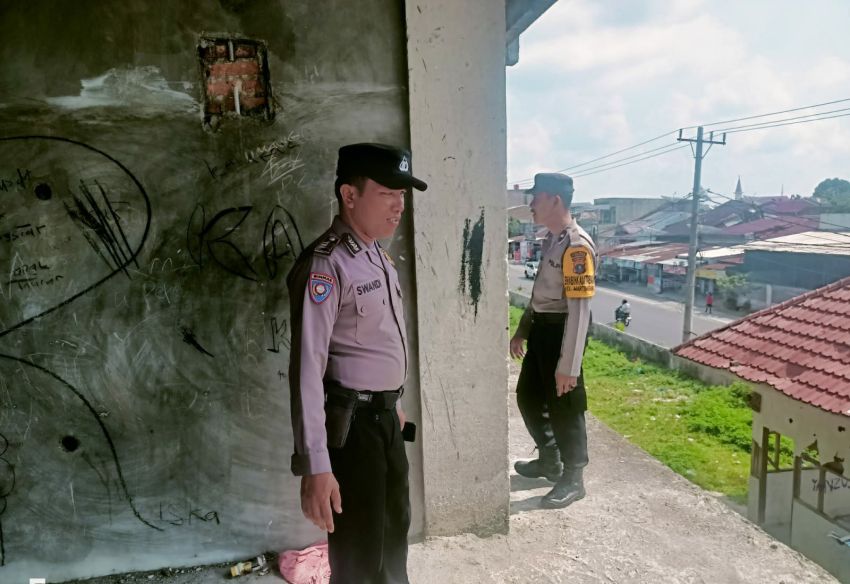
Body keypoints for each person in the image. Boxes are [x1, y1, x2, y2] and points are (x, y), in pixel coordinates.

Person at [286, 143, 427, 583]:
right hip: (353, 431)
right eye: (388, 193)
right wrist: (316, 465)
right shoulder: (327, 265)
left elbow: (378, 346)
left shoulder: (376, 256)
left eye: (403, 195)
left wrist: (394, 404)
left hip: (384, 420)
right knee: (360, 557)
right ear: (349, 195)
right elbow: (307, 371)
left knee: (393, 540)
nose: (398, 206)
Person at [509, 172, 597, 509]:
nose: (531, 204)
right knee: (529, 397)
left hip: (564, 332)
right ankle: (550, 459)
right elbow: (539, 295)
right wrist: (523, 330)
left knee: (565, 404)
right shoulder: (553, 240)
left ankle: (574, 477)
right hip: (543, 330)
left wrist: (569, 366)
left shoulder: (576, 247)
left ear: (555, 200)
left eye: (537, 197)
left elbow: (580, 311)